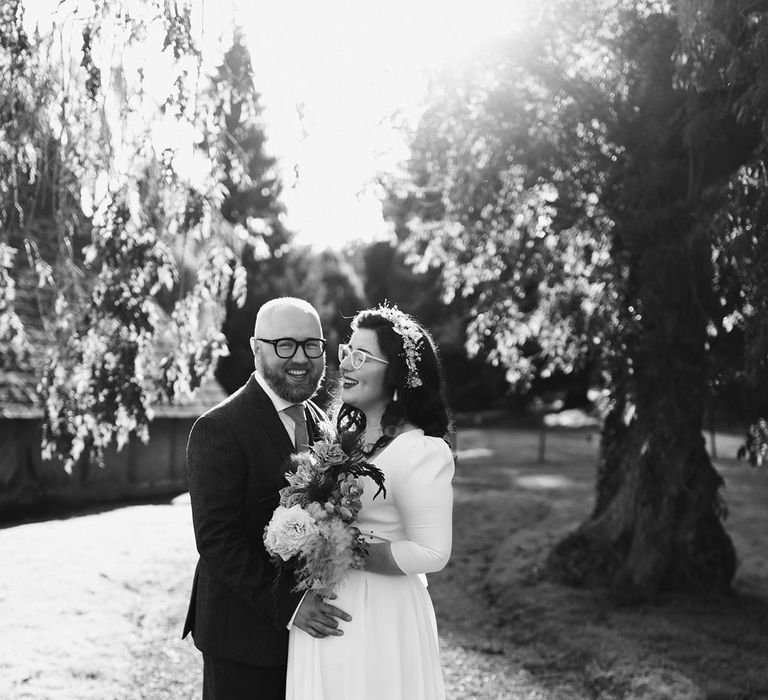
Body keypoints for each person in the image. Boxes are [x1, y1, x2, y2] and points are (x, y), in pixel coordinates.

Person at [183, 297, 351, 700]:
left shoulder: (322, 422)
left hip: (309, 641)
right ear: (257, 348)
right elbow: (216, 538)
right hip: (243, 636)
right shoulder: (218, 428)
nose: (301, 358)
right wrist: (291, 606)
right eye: (285, 345)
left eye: (312, 346)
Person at [286, 304, 455, 700]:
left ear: (396, 374)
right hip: (323, 609)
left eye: (361, 357)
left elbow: (432, 552)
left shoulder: (420, 451)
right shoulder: (339, 443)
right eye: (346, 352)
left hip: (380, 614)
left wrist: (342, 549)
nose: (345, 365)